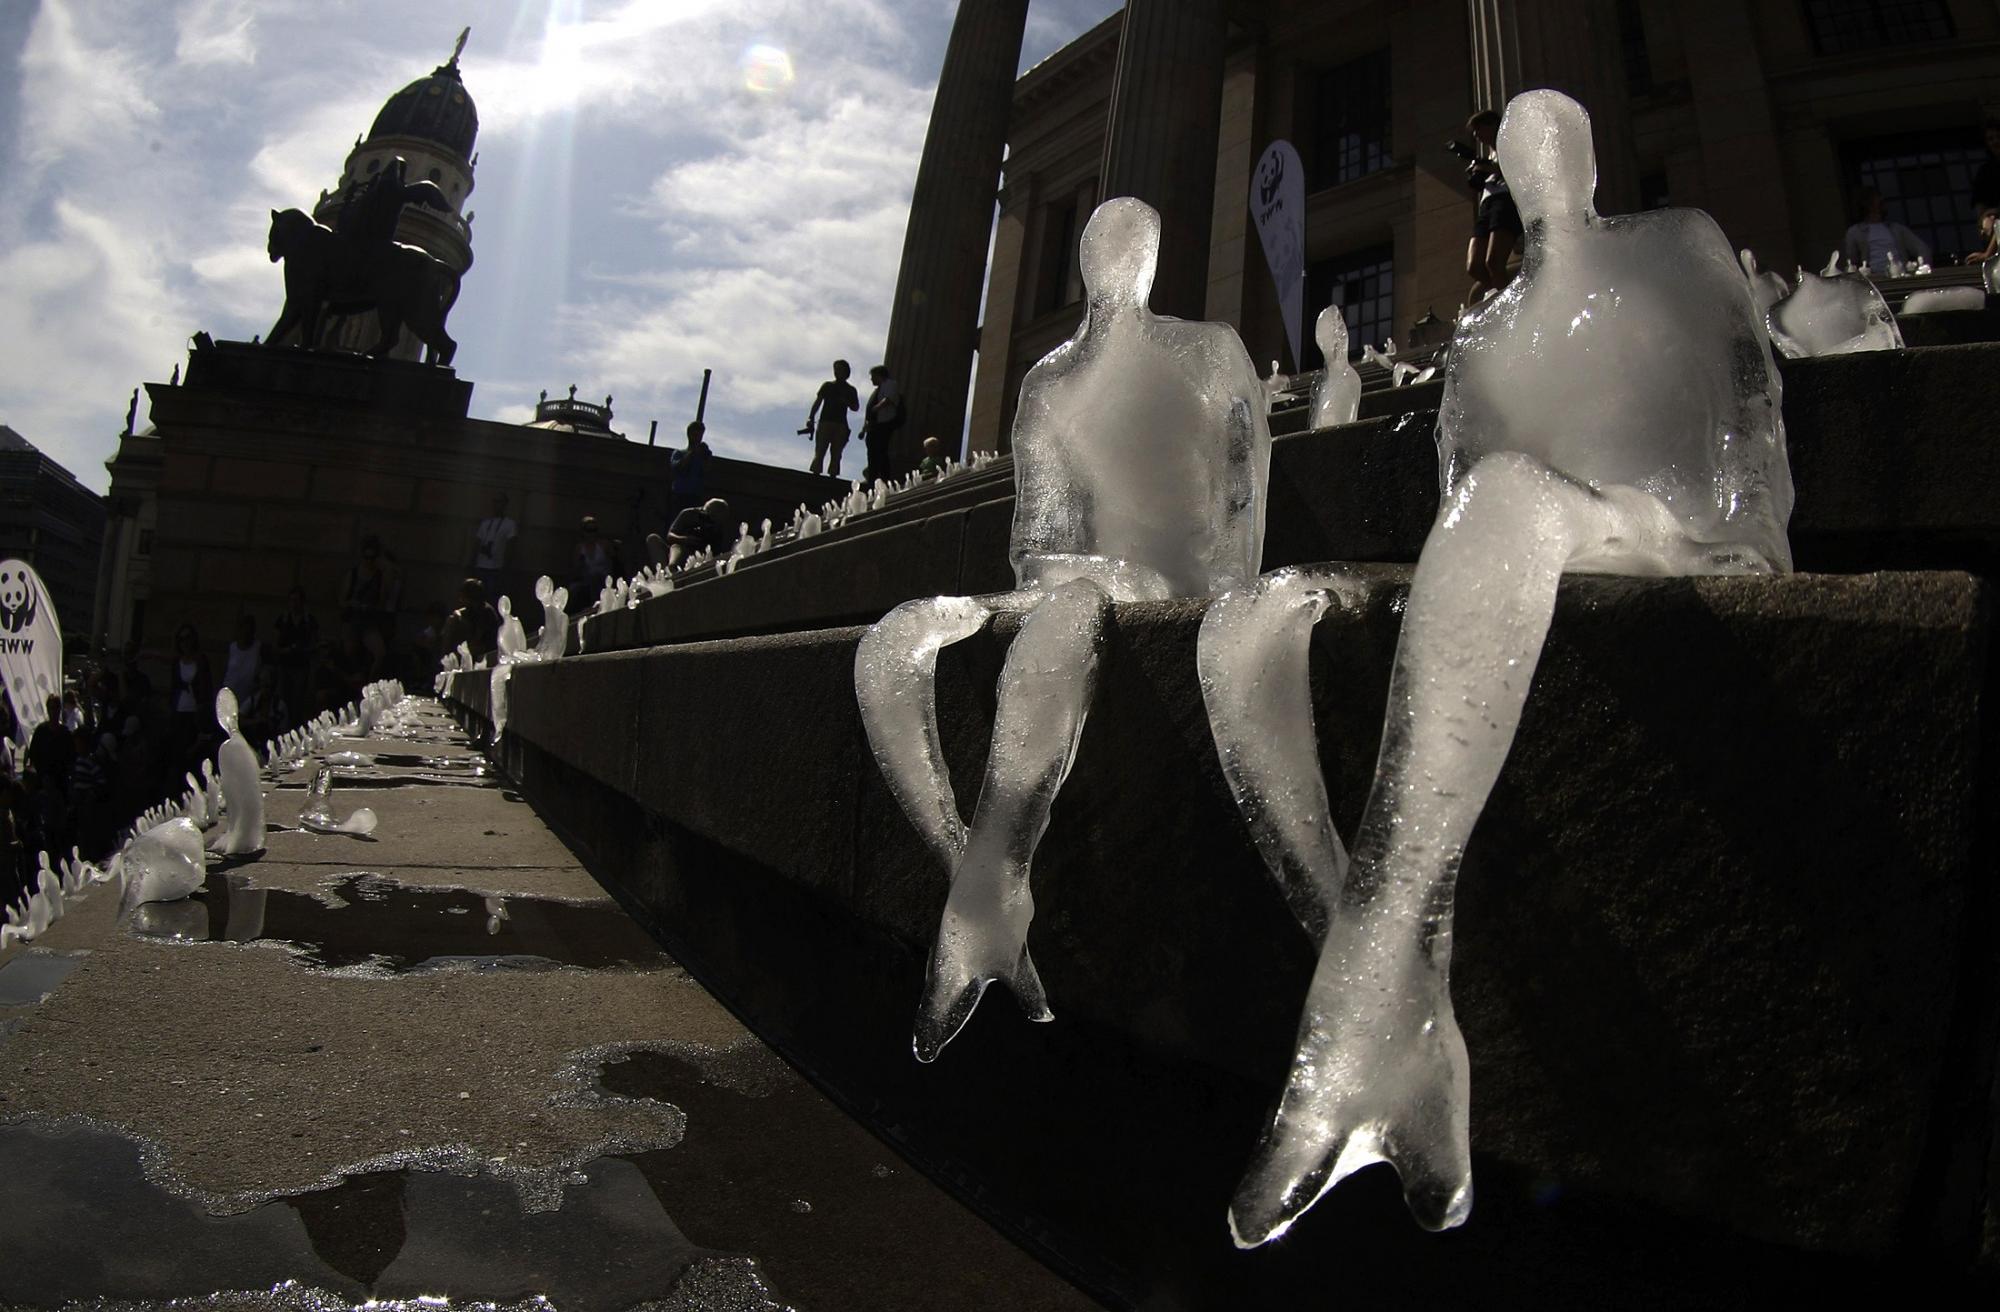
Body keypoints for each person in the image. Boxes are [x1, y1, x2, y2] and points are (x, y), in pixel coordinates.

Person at [1462, 110, 1521, 302]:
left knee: (1494, 262)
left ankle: (1513, 307)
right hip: (1486, 204)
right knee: (1474, 266)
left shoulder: (1510, 144)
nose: (1476, 135)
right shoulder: (1489, 153)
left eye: (1479, 128)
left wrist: (1488, 168)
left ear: (1493, 125)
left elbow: (1518, 169)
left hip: (1505, 201)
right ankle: (1503, 297)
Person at [1842, 187, 1929, 275]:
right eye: (1876, 200)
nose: (1881, 203)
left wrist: (1919, 267)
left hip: (1899, 275)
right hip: (1873, 278)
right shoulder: (1855, 232)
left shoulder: (1896, 229)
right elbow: (1851, 260)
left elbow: (1922, 249)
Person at [166, 624, 216, 775]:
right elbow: (174, 686)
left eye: (187, 638)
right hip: (180, 710)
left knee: (194, 752)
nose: (185, 643)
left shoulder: (200, 660)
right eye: (181, 639)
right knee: (178, 750)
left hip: (196, 711)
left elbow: (206, 686)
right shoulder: (177, 662)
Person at [272, 586, 319, 731]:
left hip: (301, 666)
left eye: (297, 601)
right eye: (292, 600)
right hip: (285, 665)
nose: (294, 604)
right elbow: (275, 642)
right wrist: (286, 650)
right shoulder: (283, 619)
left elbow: (315, 642)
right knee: (283, 700)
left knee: (298, 701)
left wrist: (302, 649)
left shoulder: (309, 620)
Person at [805, 360, 860, 477]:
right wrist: (811, 417)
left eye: (839, 369)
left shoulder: (850, 390)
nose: (836, 372)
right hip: (825, 421)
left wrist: (846, 401)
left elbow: (855, 407)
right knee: (820, 450)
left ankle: (833, 475)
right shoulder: (828, 386)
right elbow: (818, 402)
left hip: (840, 424)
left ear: (846, 372)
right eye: (835, 369)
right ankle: (816, 473)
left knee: (836, 453)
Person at [654, 497, 738, 569]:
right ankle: (668, 569)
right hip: (676, 549)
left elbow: (716, 552)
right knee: (654, 539)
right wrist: (686, 539)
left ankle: (671, 570)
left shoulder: (717, 529)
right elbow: (670, 536)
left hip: (696, 556)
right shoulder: (688, 514)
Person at [439, 578, 502, 664]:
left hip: (484, 653)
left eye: (463, 597)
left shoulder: (486, 612)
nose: (461, 600)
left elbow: (479, 640)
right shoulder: (467, 612)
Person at [860, 365, 903, 483]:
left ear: (879, 375)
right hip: (874, 426)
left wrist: (876, 408)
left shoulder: (890, 384)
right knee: (872, 451)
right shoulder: (876, 390)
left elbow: (888, 399)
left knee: (881, 450)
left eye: (872, 376)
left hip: (884, 423)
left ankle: (884, 478)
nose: (871, 379)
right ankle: (872, 478)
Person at [471, 493, 518, 600]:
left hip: (496, 568)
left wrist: (506, 566)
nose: (497, 506)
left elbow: (511, 545)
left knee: (492, 596)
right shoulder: (485, 523)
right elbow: (477, 543)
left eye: (500, 503)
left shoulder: (509, 524)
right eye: (495, 502)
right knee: (478, 596)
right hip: (481, 565)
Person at [221, 614, 265, 716]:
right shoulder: (232, 648)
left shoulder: (259, 648)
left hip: (250, 700)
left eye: (248, 628)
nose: (245, 631)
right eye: (243, 627)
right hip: (230, 698)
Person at [571, 515, 623, 597]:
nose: (591, 534)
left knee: (597, 579)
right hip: (587, 580)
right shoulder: (580, 548)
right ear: (583, 532)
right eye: (588, 530)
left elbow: (615, 563)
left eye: (594, 530)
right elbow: (576, 570)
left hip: (604, 578)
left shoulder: (604, 545)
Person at [669, 421, 712, 516]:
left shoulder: (702, 455)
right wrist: (692, 452)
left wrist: (705, 455)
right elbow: (678, 467)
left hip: (696, 496)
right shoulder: (679, 453)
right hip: (680, 495)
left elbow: (706, 471)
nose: (698, 438)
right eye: (695, 435)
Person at [1972, 119, 2000, 222]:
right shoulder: (1985, 171)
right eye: (1991, 139)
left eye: (1998, 136)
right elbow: (1980, 202)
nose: (1996, 141)